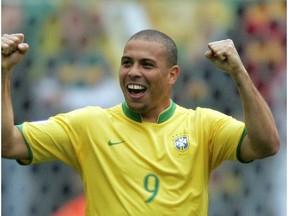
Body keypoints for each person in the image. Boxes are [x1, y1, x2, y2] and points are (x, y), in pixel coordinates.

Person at [2, 29, 280, 216]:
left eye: (146, 65)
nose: (133, 72)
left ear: (172, 75)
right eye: (127, 63)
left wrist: (239, 73)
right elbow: (9, 144)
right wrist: (3, 72)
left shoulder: (202, 125)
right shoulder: (89, 124)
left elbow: (266, 144)